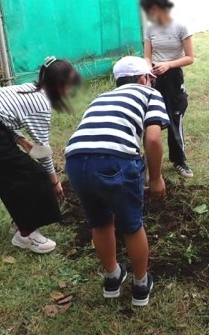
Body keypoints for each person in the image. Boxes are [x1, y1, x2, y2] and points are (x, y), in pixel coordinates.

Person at [64, 56, 169, 307]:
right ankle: (140, 286)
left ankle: (112, 277)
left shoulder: (101, 97)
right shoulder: (149, 93)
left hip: (75, 162)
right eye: (150, 79)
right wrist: (156, 178)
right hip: (115, 161)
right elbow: (153, 139)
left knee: (100, 222)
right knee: (131, 225)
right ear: (144, 78)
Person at [0, 57, 80, 254]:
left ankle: (20, 222)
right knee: (33, 177)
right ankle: (26, 235)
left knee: (14, 178)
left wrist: (20, 139)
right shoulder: (41, 104)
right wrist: (53, 180)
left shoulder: (29, 88)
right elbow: (43, 150)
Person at [141, 0, 195, 179]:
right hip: (154, 77)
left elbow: (190, 57)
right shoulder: (150, 29)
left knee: (175, 118)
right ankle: (147, 162)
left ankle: (179, 161)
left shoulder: (181, 27)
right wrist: (149, 68)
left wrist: (169, 65)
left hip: (173, 77)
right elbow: (147, 56)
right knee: (150, 119)